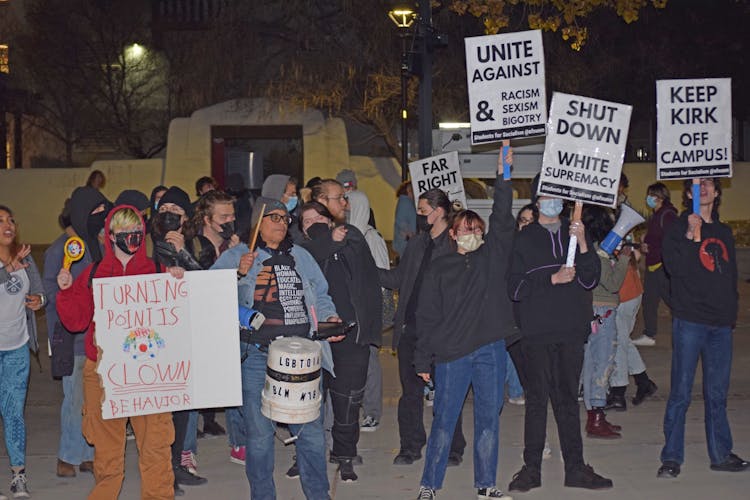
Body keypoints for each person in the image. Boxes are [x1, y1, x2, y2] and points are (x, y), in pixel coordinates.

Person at [211, 197, 342, 500]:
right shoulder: (237, 256)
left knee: (311, 434)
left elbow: (321, 294)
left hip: (303, 356)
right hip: (257, 356)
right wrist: (237, 275)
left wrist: (329, 318)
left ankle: (318, 496)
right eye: (275, 217)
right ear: (258, 222)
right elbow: (209, 295)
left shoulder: (301, 256)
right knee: (259, 437)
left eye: (285, 218)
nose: (282, 223)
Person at [56, 205, 182, 499]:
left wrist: (179, 281)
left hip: (148, 371)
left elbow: (178, 317)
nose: (131, 236)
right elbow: (75, 322)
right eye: (124, 231)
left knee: (155, 446)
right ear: (110, 236)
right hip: (103, 374)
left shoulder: (157, 271)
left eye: (136, 230)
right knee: (107, 452)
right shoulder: (93, 273)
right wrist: (66, 290)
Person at [413, 151, 515, 500]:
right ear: (453, 234)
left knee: (489, 420)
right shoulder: (440, 268)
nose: (472, 233)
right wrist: (422, 359)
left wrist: (503, 174)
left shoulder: (491, 259)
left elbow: (503, 217)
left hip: (490, 350)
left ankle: (485, 485)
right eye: (466, 229)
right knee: (444, 421)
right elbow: (426, 316)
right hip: (452, 355)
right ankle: (429, 484)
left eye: (477, 229)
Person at [508, 178, 612, 492]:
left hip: (570, 331)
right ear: (537, 199)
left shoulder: (576, 231)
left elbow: (590, 280)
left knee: (567, 401)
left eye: (557, 194)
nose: (552, 200)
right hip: (537, 332)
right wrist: (551, 280)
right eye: (547, 194)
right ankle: (531, 469)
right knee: (537, 401)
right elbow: (515, 288)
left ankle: (576, 468)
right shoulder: (524, 239)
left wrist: (582, 244)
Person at [657, 178, 748, 479]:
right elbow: (674, 268)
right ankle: (672, 457)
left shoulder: (723, 232)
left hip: (720, 325)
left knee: (717, 394)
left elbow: (729, 274)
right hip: (691, 321)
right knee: (681, 393)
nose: (704, 188)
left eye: (709, 183)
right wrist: (689, 235)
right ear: (688, 193)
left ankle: (721, 454)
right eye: (697, 184)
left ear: (717, 192)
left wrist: (731, 311)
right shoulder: (677, 229)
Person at [379, 188, 466, 467]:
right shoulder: (417, 243)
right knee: (410, 392)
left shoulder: (454, 245)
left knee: (447, 391)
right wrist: (366, 270)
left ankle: (453, 446)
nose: (418, 215)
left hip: (442, 332)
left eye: (422, 211)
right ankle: (410, 445)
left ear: (438, 212)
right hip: (411, 329)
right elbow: (398, 279)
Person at [297, 200, 382, 482]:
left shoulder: (350, 239)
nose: (314, 225)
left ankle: (345, 454)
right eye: (307, 221)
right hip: (313, 339)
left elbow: (368, 274)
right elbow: (309, 256)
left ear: (331, 220)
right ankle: (305, 456)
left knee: (348, 402)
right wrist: (325, 238)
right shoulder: (300, 252)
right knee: (308, 402)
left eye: (319, 219)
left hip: (351, 335)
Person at [44, 187, 108, 479]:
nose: (101, 218)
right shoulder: (61, 250)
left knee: (93, 399)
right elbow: (49, 293)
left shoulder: (97, 244)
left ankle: (88, 453)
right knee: (74, 399)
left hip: (98, 336)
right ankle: (67, 455)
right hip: (73, 338)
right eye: (96, 212)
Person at [149, 186, 209, 494]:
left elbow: (207, 283)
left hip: (187, 333)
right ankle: (163, 471)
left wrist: (183, 252)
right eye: (164, 209)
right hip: (155, 338)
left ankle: (177, 464)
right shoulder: (146, 243)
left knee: (184, 407)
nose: (169, 214)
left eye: (176, 210)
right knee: (162, 411)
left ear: (187, 217)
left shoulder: (196, 244)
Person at [0, 205, 44, 499]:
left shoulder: (25, 256)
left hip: (17, 347)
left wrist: (39, 300)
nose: (8, 225)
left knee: (14, 413)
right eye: (0, 221)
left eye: (11, 220)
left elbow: (40, 291)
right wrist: (7, 271)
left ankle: (18, 476)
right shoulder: (13, 262)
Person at [580, 206, 629, 439]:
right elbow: (612, 284)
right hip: (603, 312)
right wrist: (625, 259)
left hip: (593, 310)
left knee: (591, 362)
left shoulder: (586, 247)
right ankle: (596, 416)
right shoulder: (600, 251)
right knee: (602, 362)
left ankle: (594, 413)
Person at [347, 190, 391, 432]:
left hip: (370, 307)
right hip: (353, 307)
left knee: (370, 360)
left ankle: (372, 411)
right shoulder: (346, 235)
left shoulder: (370, 237)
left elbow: (382, 273)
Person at [606, 226, 657, 411]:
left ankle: (618, 392)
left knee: (618, 343)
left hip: (622, 294)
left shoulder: (613, 230)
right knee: (623, 341)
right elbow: (635, 255)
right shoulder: (622, 228)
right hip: (630, 292)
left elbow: (633, 255)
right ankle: (644, 382)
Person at [632, 182, 677, 346]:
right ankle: (649, 334)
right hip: (653, 263)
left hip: (662, 265)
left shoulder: (668, 215)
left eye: (651, 195)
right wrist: (646, 245)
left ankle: (688, 325)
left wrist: (653, 247)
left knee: (673, 301)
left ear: (660, 197)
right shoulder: (657, 215)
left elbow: (670, 240)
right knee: (649, 301)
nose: (648, 198)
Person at [393, 181, 416, 260]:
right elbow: (402, 223)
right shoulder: (406, 202)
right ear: (409, 190)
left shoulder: (403, 202)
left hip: (404, 243)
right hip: (406, 244)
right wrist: (411, 235)